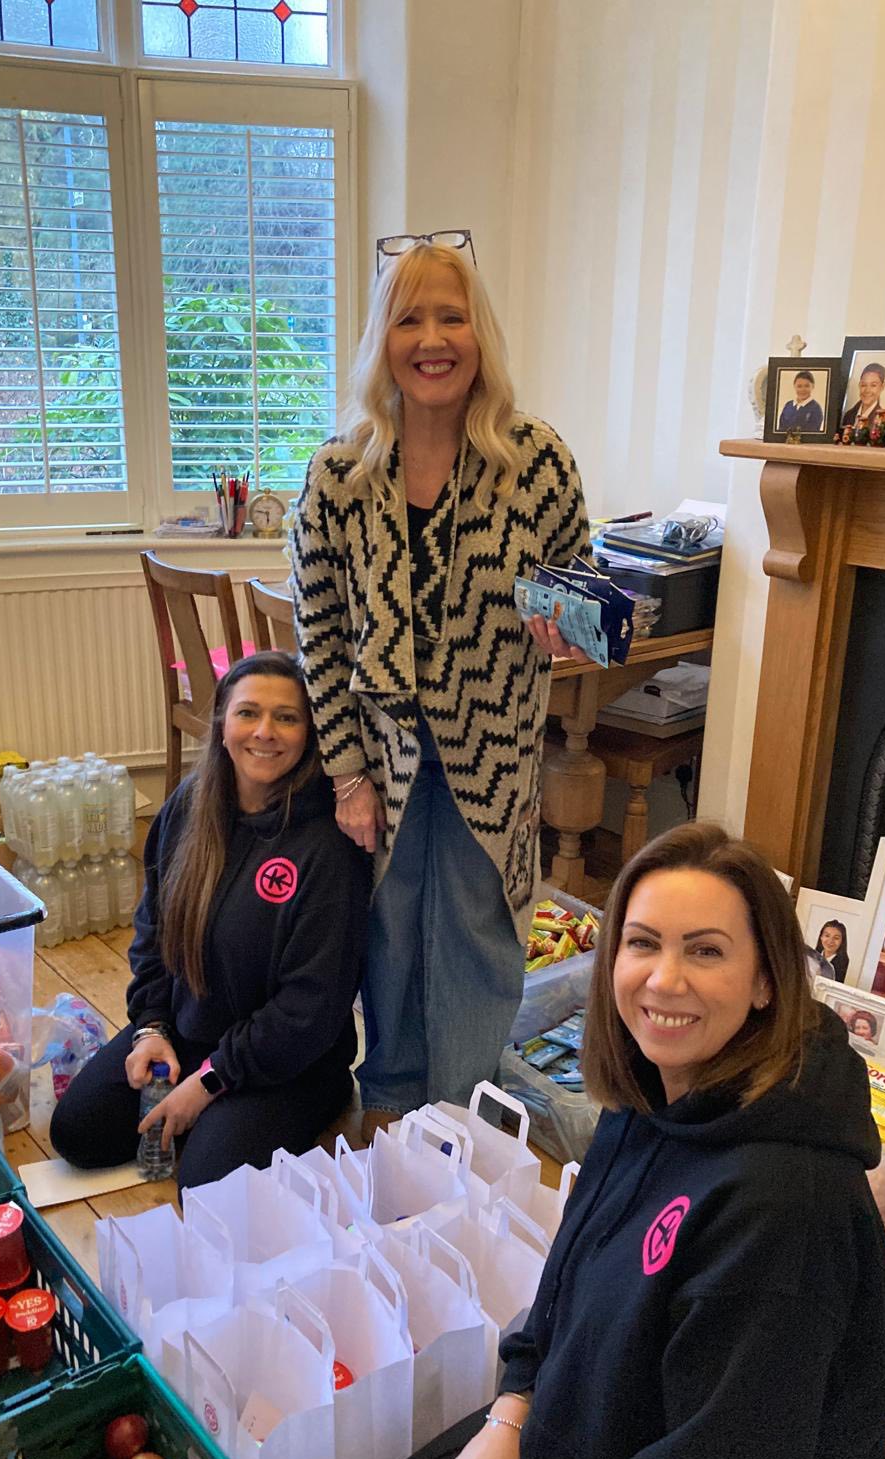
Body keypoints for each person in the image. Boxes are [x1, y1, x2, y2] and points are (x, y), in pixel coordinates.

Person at [351, 821, 885, 1459]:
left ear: (766, 981)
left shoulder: (784, 1212)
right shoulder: (652, 1092)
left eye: (707, 950)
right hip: (621, 1451)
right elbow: (570, 1272)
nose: (664, 980)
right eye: (643, 943)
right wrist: (511, 1409)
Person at [290, 237, 591, 1135]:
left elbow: (580, 593)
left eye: (450, 317)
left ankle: (460, 1115)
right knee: (386, 925)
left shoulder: (534, 460)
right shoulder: (338, 473)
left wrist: (564, 625)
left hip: (492, 747)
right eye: (409, 318)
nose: (432, 338)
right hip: (380, 754)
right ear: (383, 340)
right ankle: (389, 1101)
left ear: (479, 334)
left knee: (475, 926)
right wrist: (344, 773)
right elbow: (320, 635)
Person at [49, 653, 369, 1190]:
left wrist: (207, 1083)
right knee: (76, 1134)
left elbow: (308, 1009)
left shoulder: (328, 846)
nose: (265, 733)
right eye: (249, 713)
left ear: (311, 733)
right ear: (222, 724)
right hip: (188, 1028)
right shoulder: (189, 807)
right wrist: (150, 1028)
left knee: (204, 1180)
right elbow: (151, 931)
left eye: (287, 718)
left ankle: (314, 1099)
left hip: (284, 1062)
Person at [841, 361, 885, 428]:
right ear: (859, 385)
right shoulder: (848, 415)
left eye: (873, 385)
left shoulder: (882, 419)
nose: (867, 390)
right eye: (864, 385)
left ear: (882, 386)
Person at [814, 915, 849, 982]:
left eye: (836, 938)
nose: (830, 941)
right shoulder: (812, 957)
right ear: (821, 937)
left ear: (842, 941)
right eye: (827, 936)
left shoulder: (844, 965)